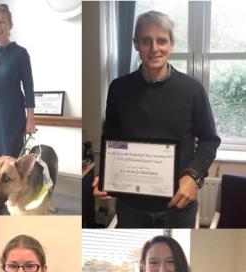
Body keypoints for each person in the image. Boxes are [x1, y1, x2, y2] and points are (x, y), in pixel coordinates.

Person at [93, 10, 221, 228]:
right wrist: (106, 174)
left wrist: (195, 177)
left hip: (178, 207)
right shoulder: (118, 88)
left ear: (171, 44)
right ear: (135, 44)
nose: (154, 49)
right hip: (131, 207)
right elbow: (112, 138)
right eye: (146, 41)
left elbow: (210, 140)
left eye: (161, 40)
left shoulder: (192, 89)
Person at [0, 4, 36, 157]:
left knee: (12, 163)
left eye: (2, 21)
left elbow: (29, 88)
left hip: (12, 117)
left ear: (10, 24)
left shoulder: (20, 54)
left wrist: (30, 118)